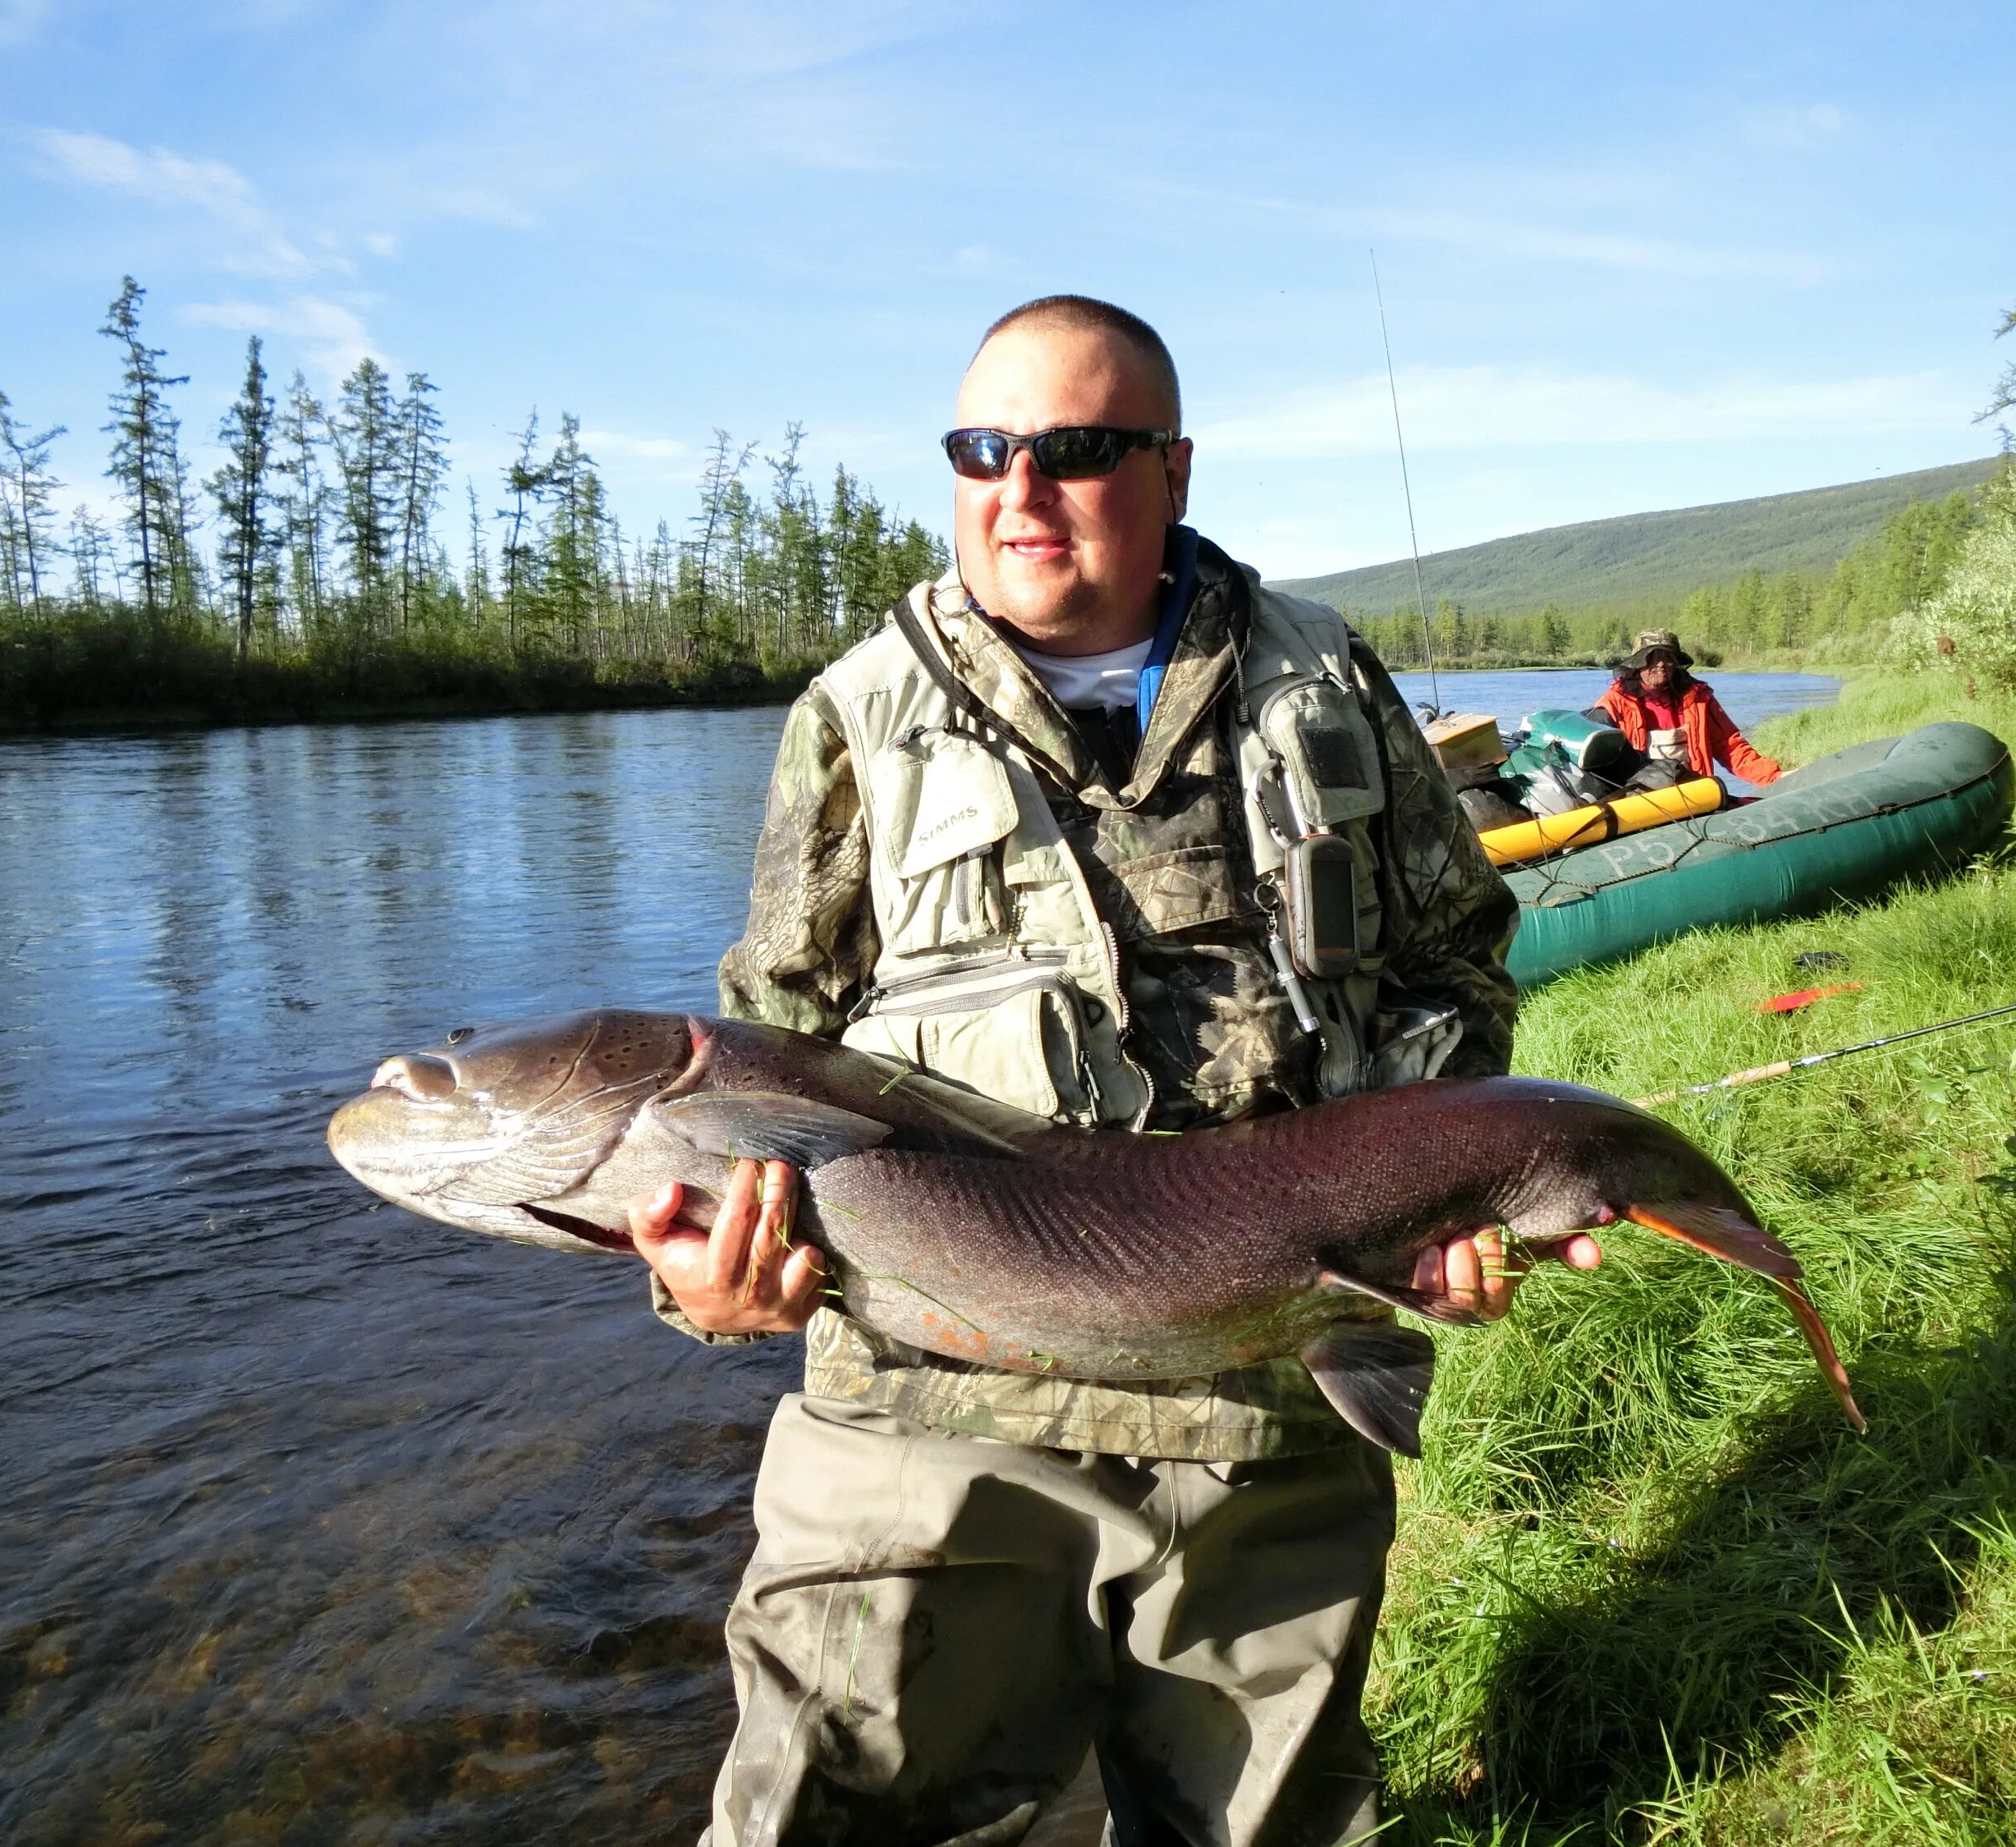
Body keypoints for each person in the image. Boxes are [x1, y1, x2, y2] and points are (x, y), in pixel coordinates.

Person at [628, 296, 1603, 1847]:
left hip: (1270, 1416)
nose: (1019, 489)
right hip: (924, 1435)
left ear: (1174, 467)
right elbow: (755, 1068)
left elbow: (1456, 962)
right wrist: (702, 1288)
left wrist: (1446, 1199)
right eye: (982, 449)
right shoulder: (855, 721)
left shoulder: (1325, 680)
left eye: (1075, 450)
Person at [1590, 630, 1781, 791]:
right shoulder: (1612, 705)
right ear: (1637, 663)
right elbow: (1598, 763)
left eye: (1668, 658)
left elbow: (1730, 747)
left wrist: (1773, 776)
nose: (1661, 665)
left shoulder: (1698, 699)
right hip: (1641, 803)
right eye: (1652, 658)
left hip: (1697, 794)